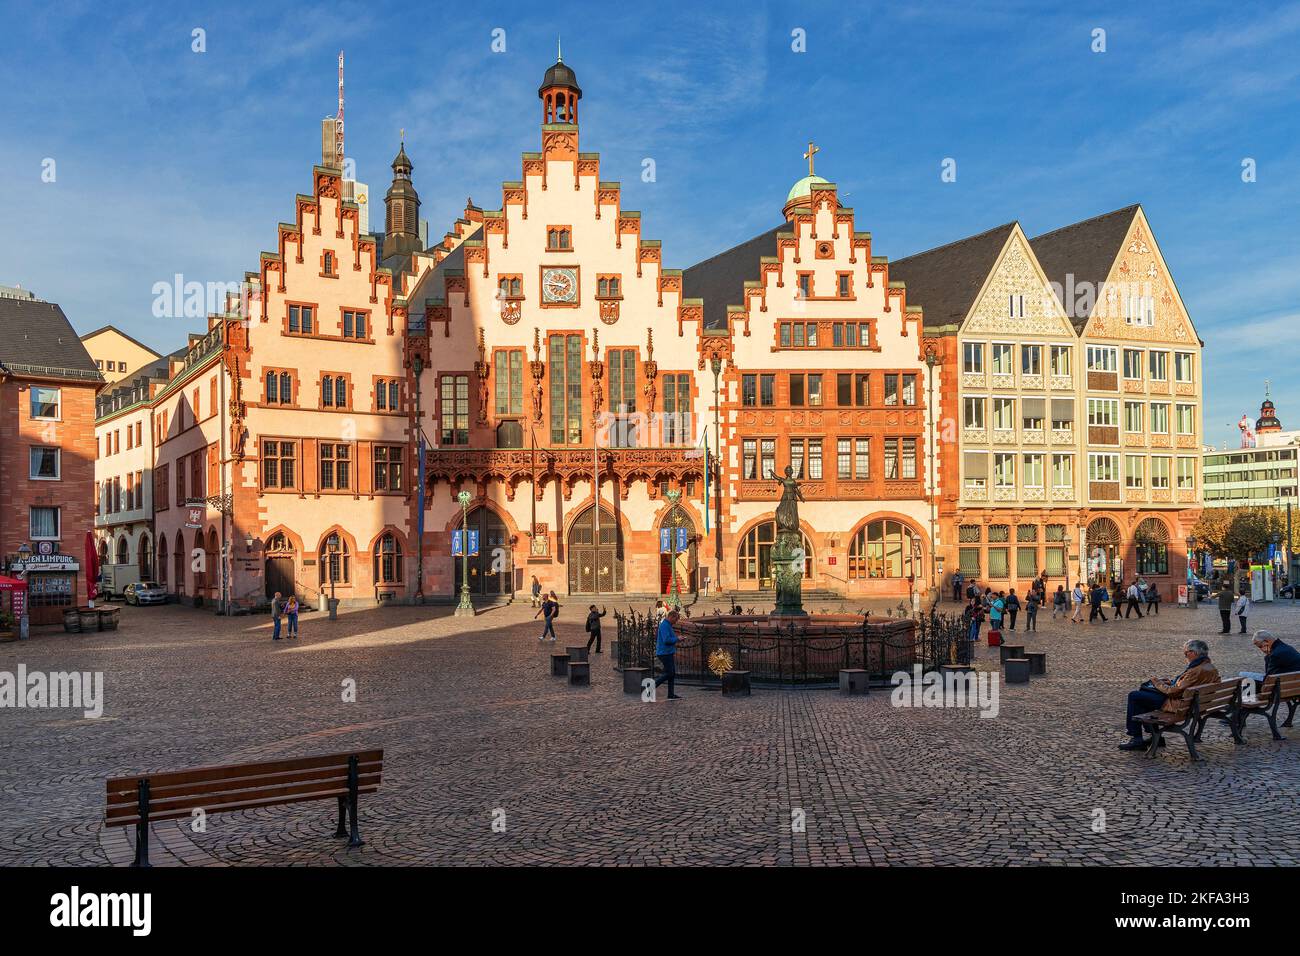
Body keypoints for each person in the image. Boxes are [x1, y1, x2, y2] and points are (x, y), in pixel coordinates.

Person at [1119, 639, 1220, 750]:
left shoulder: (1195, 670)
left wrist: (1156, 682)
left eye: (1186, 654)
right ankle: (1154, 737)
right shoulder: (1210, 667)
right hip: (1195, 703)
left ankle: (1137, 738)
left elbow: (1173, 692)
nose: (1185, 657)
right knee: (1142, 696)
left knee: (1134, 696)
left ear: (1194, 653)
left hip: (1179, 705)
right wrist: (1172, 682)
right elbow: (1191, 684)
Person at [654, 608, 682, 700]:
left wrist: (677, 638)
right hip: (664, 653)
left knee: (671, 673)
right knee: (670, 673)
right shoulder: (665, 626)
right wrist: (677, 639)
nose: (676, 622)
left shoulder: (668, 625)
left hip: (667, 652)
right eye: (676, 619)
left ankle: (671, 694)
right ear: (671, 617)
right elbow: (666, 640)